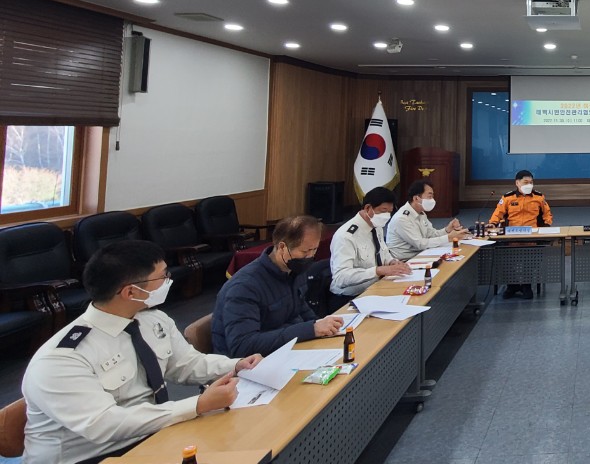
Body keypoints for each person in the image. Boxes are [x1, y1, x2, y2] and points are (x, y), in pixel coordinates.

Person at [22, 240, 262, 464]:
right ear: (131, 292)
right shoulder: (62, 358)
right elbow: (104, 424)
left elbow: (186, 364)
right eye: (162, 276)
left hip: (149, 435)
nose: (168, 280)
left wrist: (236, 365)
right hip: (94, 456)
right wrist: (198, 405)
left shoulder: (152, 320)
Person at [212, 214, 346, 358]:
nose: (310, 257)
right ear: (282, 247)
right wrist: (310, 329)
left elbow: (300, 308)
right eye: (305, 251)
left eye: (314, 250)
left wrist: (322, 324)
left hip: (284, 349)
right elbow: (242, 346)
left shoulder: (293, 270)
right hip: (249, 363)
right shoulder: (244, 287)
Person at [329, 187, 411, 305]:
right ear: (368, 208)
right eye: (383, 211)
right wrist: (378, 271)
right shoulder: (346, 236)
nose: (387, 216)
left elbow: (383, 253)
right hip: (349, 297)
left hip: (375, 288)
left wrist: (392, 262)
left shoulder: (377, 226)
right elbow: (340, 277)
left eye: (389, 212)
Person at [489, 170, 553, 299]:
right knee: (506, 260)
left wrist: (546, 226)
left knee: (529, 260)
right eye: (526, 182)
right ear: (517, 183)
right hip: (511, 236)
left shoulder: (539, 197)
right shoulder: (508, 198)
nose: (529, 185)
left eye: (531, 182)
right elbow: (497, 214)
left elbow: (547, 215)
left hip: (532, 236)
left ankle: (526, 285)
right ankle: (512, 286)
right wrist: (493, 224)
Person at [386, 178, 468, 261]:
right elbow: (420, 244)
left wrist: (447, 230)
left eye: (432, 196)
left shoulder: (421, 213)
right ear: (416, 198)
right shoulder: (402, 218)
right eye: (429, 196)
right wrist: (448, 238)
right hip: (405, 260)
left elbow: (431, 234)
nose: (432, 200)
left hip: (421, 253)